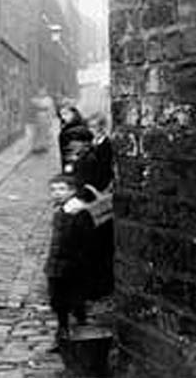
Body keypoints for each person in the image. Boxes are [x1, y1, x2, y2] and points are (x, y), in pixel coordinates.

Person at [44, 172, 95, 351]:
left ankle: (80, 338)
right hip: (56, 263)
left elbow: (86, 241)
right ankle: (64, 334)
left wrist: (77, 263)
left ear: (72, 191)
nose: (57, 193)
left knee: (74, 300)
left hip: (71, 265)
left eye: (62, 189)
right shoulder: (62, 209)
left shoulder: (77, 212)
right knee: (58, 302)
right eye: (53, 190)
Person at [75, 113, 115, 299]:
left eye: (93, 127)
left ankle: (100, 287)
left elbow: (105, 174)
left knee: (99, 244)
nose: (90, 131)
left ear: (101, 127)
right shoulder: (95, 144)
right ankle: (90, 285)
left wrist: (96, 191)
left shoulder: (106, 146)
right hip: (89, 195)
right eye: (90, 127)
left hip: (98, 198)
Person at [57, 104, 92, 174]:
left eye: (66, 114)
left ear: (74, 113)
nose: (63, 117)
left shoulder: (75, 131)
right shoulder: (67, 130)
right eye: (61, 116)